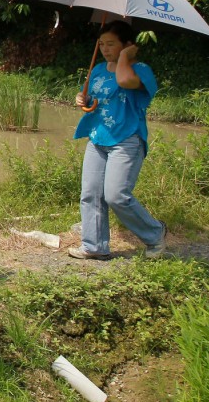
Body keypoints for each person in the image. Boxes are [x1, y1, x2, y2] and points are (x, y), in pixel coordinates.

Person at [68, 20, 168, 260]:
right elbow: (93, 100)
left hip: (126, 140)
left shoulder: (141, 69)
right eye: (101, 44)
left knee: (116, 195)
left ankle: (156, 233)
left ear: (128, 45)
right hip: (98, 138)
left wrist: (124, 57)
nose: (104, 49)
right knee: (91, 193)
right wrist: (81, 100)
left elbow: (124, 82)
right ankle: (94, 246)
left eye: (111, 44)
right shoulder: (99, 70)